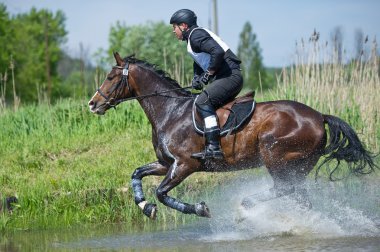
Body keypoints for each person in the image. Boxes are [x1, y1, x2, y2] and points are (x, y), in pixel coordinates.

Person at [170, 9, 243, 160]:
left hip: (230, 76)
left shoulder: (196, 35)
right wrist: (198, 77)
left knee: (202, 101)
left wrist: (208, 73)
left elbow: (217, 52)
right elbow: (200, 60)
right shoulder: (194, 37)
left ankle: (214, 147)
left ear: (183, 25)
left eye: (174, 27)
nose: (173, 31)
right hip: (225, 77)